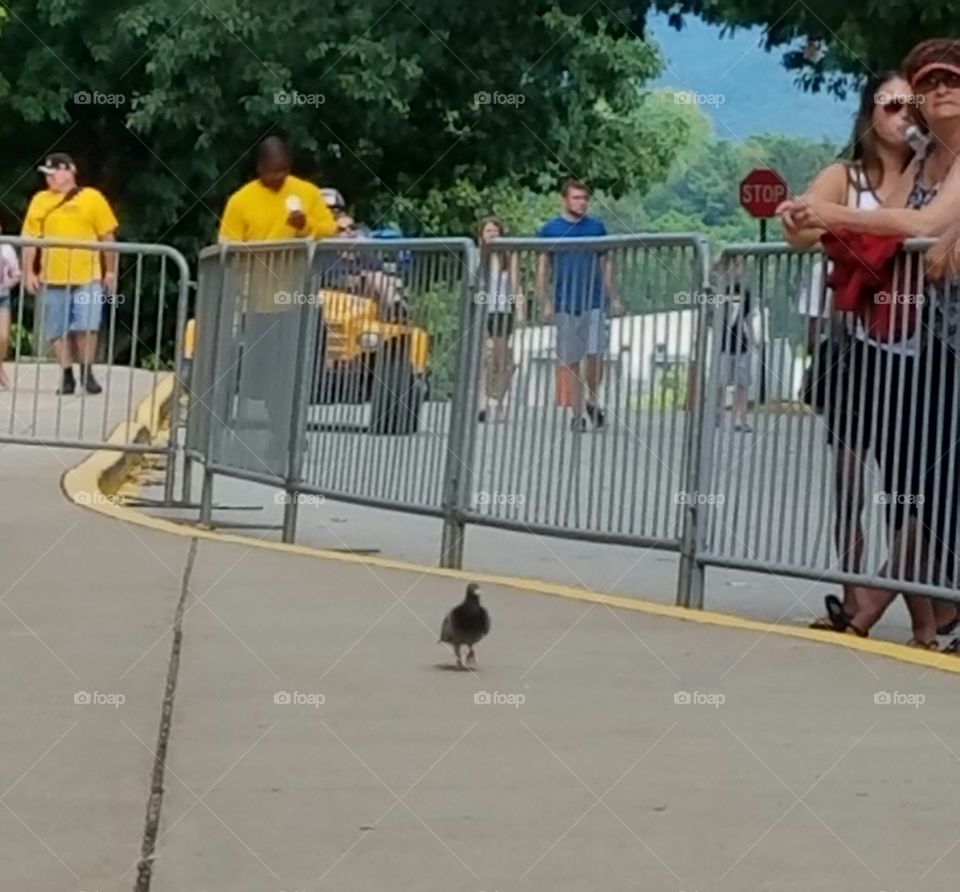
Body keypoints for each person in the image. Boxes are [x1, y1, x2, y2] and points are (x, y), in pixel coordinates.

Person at [779, 41, 960, 647]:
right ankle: (922, 618)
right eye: (922, 89)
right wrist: (805, 216)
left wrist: (832, 217)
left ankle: (875, 613)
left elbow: (923, 225)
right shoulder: (915, 158)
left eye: (949, 83)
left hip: (939, 347)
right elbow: (890, 220)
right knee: (908, 484)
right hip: (907, 344)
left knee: (934, 487)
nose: (934, 96)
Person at [218, 136, 338, 467]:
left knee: (297, 374)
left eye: (283, 171)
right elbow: (226, 245)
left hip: (300, 301)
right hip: (261, 303)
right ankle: (281, 431)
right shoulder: (241, 200)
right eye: (272, 172)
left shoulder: (306, 194)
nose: (278, 178)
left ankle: (289, 434)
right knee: (268, 378)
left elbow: (329, 231)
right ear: (259, 169)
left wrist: (305, 227)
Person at [21, 153, 118, 395]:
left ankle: (87, 372)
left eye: (53, 174)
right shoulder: (40, 200)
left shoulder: (92, 198)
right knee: (56, 329)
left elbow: (107, 236)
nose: (49, 179)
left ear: (69, 171)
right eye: (47, 175)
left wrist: (111, 271)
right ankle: (66, 374)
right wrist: (28, 272)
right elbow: (30, 239)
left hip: (87, 276)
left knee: (87, 325)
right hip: (53, 276)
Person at [537, 179, 623, 432]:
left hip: (593, 299)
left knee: (596, 353)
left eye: (585, 198)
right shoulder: (550, 229)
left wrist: (614, 295)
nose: (581, 203)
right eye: (576, 198)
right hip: (566, 301)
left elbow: (606, 263)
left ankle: (592, 399)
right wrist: (545, 301)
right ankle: (576, 413)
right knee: (571, 359)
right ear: (565, 199)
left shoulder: (596, 227)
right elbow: (543, 267)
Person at [476, 217, 523, 423]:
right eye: (488, 232)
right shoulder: (477, 256)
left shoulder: (508, 256)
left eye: (496, 232)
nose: (492, 235)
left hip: (501, 310)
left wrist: (519, 308)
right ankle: (482, 401)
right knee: (483, 359)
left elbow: (515, 284)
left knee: (502, 361)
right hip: (481, 310)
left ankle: (499, 400)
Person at [715, 256, 755, 432]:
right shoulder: (717, 291)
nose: (735, 270)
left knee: (742, 383)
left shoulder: (745, 292)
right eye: (731, 266)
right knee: (719, 381)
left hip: (740, 341)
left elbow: (748, 318)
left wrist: (753, 338)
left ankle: (740, 418)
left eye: (738, 266)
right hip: (721, 342)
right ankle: (716, 414)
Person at [0, 222, 21, 389]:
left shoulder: (6, 249)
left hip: (2, 295)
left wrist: (6, 285)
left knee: (3, 336)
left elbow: (16, 274)